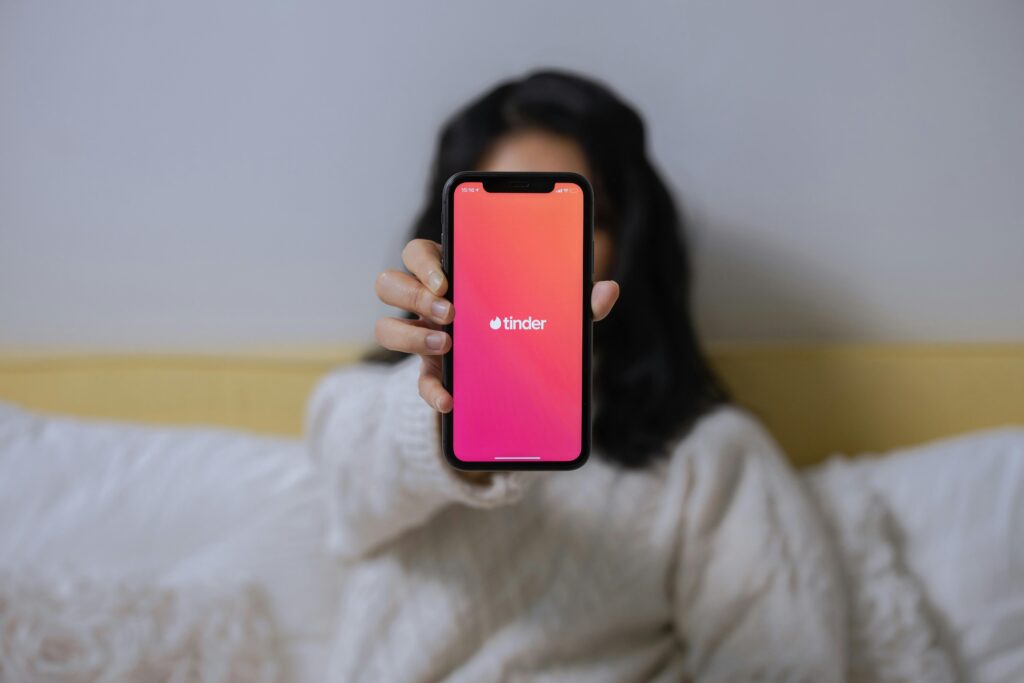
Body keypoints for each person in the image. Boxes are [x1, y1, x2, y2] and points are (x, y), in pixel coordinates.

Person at [307, 70, 846, 681]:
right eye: (505, 222)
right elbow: (354, 477)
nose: (534, 254)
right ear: (446, 241)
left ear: (628, 245)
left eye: (576, 222)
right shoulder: (361, 407)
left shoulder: (711, 457)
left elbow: (785, 667)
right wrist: (442, 404)